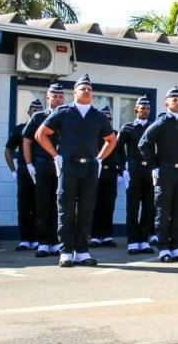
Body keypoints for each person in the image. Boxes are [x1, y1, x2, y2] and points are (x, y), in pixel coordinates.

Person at [34, 75, 117, 267]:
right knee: (66, 208)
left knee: (87, 208)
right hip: (69, 165)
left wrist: (99, 159)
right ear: (74, 92)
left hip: (89, 166)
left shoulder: (98, 116)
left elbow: (111, 140)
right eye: (83, 89)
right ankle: (65, 251)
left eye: (89, 89)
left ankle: (82, 251)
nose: (86, 91)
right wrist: (56, 156)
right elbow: (41, 134)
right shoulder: (64, 112)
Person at [138, 86, 178, 263]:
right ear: (166, 103)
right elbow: (144, 144)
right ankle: (164, 248)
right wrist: (154, 166)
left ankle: (177, 247)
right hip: (165, 171)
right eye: (174, 100)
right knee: (163, 212)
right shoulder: (161, 123)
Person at [23, 83, 65, 257]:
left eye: (61, 96)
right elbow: (27, 141)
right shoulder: (39, 116)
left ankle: (56, 242)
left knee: (59, 203)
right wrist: (29, 164)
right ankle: (43, 242)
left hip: (61, 164)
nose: (58, 98)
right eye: (54, 96)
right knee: (42, 203)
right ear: (48, 97)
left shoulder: (67, 115)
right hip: (42, 163)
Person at [115, 95, 154, 254]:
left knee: (148, 207)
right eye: (142, 108)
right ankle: (132, 241)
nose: (145, 111)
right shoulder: (127, 128)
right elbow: (117, 150)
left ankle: (144, 240)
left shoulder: (153, 127)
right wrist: (122, 170)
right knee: (132, 207)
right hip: (133, 169)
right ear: (135, 109)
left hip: (149, 171)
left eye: (147, 109)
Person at [6, 99, 43, 251]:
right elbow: (8, 150)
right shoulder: (20, 129)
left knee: (40, 204)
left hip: (41, 170)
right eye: (34, 109)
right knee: (24, 204)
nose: (36, 111)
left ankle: (37, 238)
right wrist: (13, 171)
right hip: (24, 170)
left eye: (39, 109)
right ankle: (25, 238)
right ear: (29, 112)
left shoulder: (46, 129)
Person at [90, 106, 120, 248]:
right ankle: (95, 235)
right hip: (96, 172)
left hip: (110, 172)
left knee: (109, 204)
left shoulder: (115, 134)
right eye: (105, 118)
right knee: (95, 203)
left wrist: (121, 172)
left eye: (109, 119)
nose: (107, 121)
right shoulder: (93, 133)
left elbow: (120, 155)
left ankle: (107, 235)